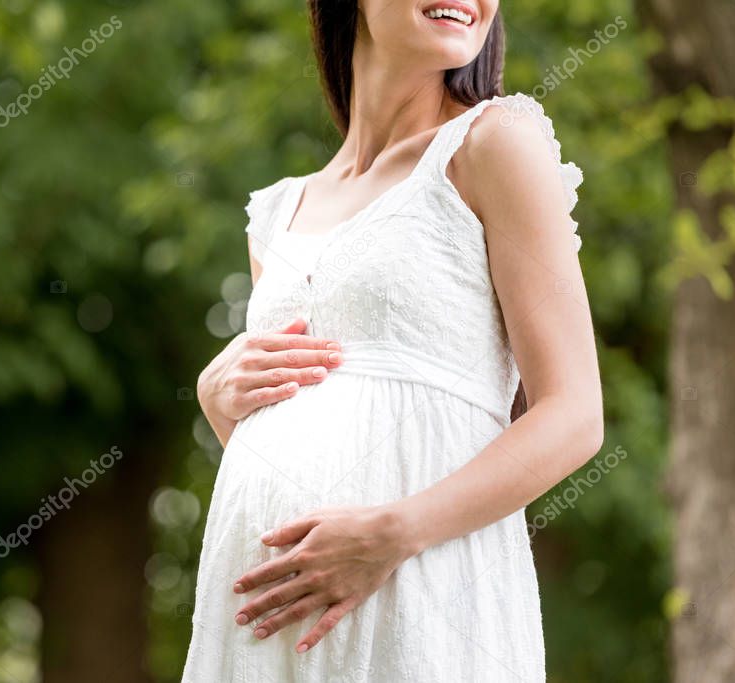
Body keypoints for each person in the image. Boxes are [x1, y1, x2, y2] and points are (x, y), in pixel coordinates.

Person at [185, 1, 603, 680]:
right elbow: (300, 442)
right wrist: (216, 399)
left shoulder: (493, 143)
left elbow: (575, 415)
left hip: (422, 590)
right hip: (269, 617)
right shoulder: (278, 213)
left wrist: (393, 533)